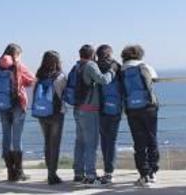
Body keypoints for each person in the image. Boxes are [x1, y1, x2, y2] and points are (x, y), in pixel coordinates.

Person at [71, 44, 114, 185]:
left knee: (80, 142)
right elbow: (103, 80)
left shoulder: (76, 66)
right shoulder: (90, 65)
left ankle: (78, 173)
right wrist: (113, 70)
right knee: (91, 143)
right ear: (93, 54)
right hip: (89, 110)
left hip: (77, 109)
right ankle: (90, 175)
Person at [0, 43, 35, 182]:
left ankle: (10, 173)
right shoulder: (19, 66)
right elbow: (31, 79)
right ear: (16, 54)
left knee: (6, 137)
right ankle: (19, 172)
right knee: (16, 139)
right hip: (17, 104)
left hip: (3, 104)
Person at [121, 45, 160, 187]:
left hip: (132, 109)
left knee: (138, 142)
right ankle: (152, 172)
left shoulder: (122, 70)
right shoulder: (145, 67)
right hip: (148, 107)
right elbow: (154, 78)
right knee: (152, 138)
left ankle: (143, 174)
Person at [33, 50, 66, 185]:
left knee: (47, 143)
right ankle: (52, 175)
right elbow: (65, 94)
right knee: (55, 145)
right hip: (56, 114)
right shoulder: (60, 77)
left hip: (42, 113)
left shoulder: (39, 76)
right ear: (57, 62)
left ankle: (49, 172)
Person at [96, 45, 122, 184]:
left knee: (104, 139)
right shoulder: (116, 66)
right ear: (110, 54)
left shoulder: (95, 66)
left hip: (99, 109)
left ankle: (106, 171)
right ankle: (109, 172)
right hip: (115, 108)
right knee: (112, 140)